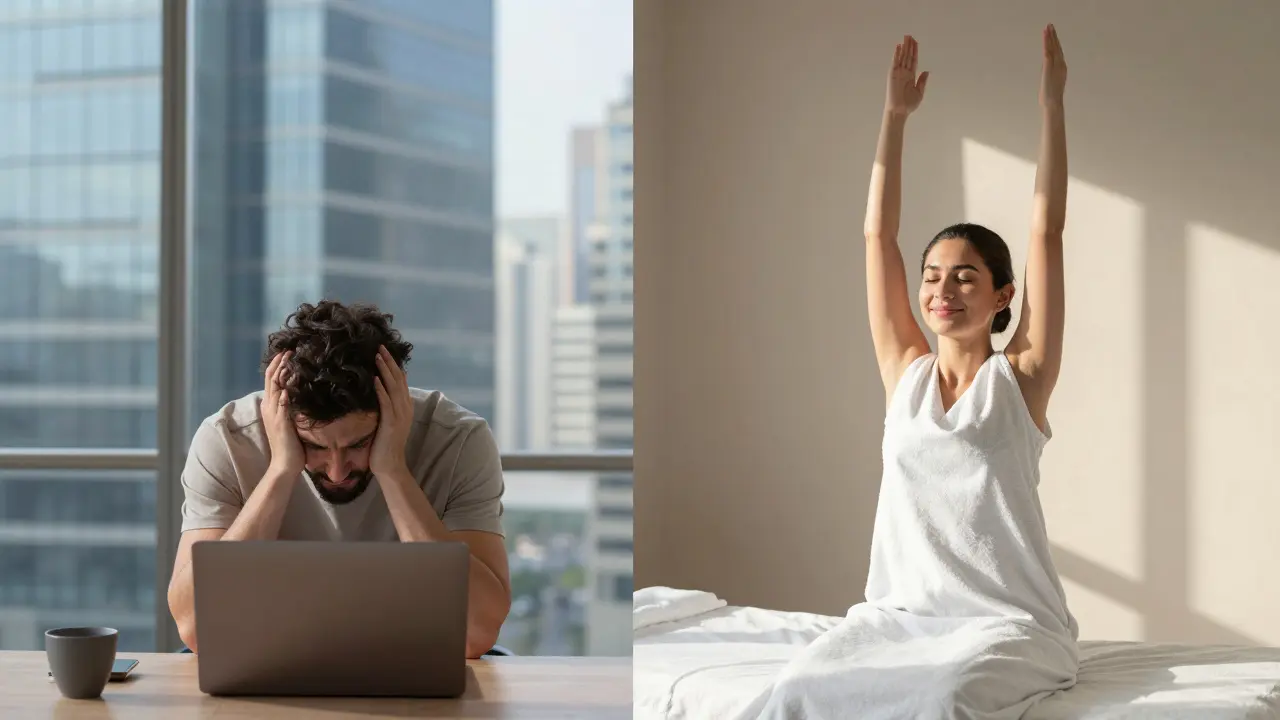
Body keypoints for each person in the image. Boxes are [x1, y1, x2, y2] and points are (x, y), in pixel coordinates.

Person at [753, 26, 1075, 719]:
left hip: (1009, 624)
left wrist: (1052, 107)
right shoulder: (905, 373)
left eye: (965, 278)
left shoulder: (1021, 379)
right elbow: (878, 236)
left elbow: (1046, 232)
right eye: (932, 277)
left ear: (1002, 297)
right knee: (794, 694)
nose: (941, 291)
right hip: (898, 617)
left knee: (946, 698)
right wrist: (893, 120)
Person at [166, 300, 512, 659]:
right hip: (268, 672)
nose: (337, 471)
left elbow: (477, 632)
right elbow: (196, 629)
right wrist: (282, 468)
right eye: (313, 445)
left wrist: (392, 469)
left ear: (394, 405)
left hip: (411, 674)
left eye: (359, 443)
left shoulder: (458, 440)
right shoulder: (227, 439)